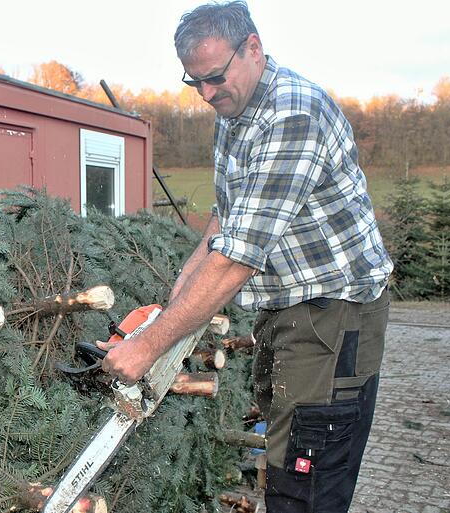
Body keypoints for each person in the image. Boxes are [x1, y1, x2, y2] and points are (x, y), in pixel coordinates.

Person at [96, 2, 394, 512]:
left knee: (306, 480)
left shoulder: (292, 114)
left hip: (334, 315)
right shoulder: (235, 115)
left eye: (214, 77)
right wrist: (174, 305)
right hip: (285, 311)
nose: (208, 95)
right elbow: (225, 218)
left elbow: (238, 257)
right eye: (195, 84)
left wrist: (147, 351)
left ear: (252, 48)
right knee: (281, 460)